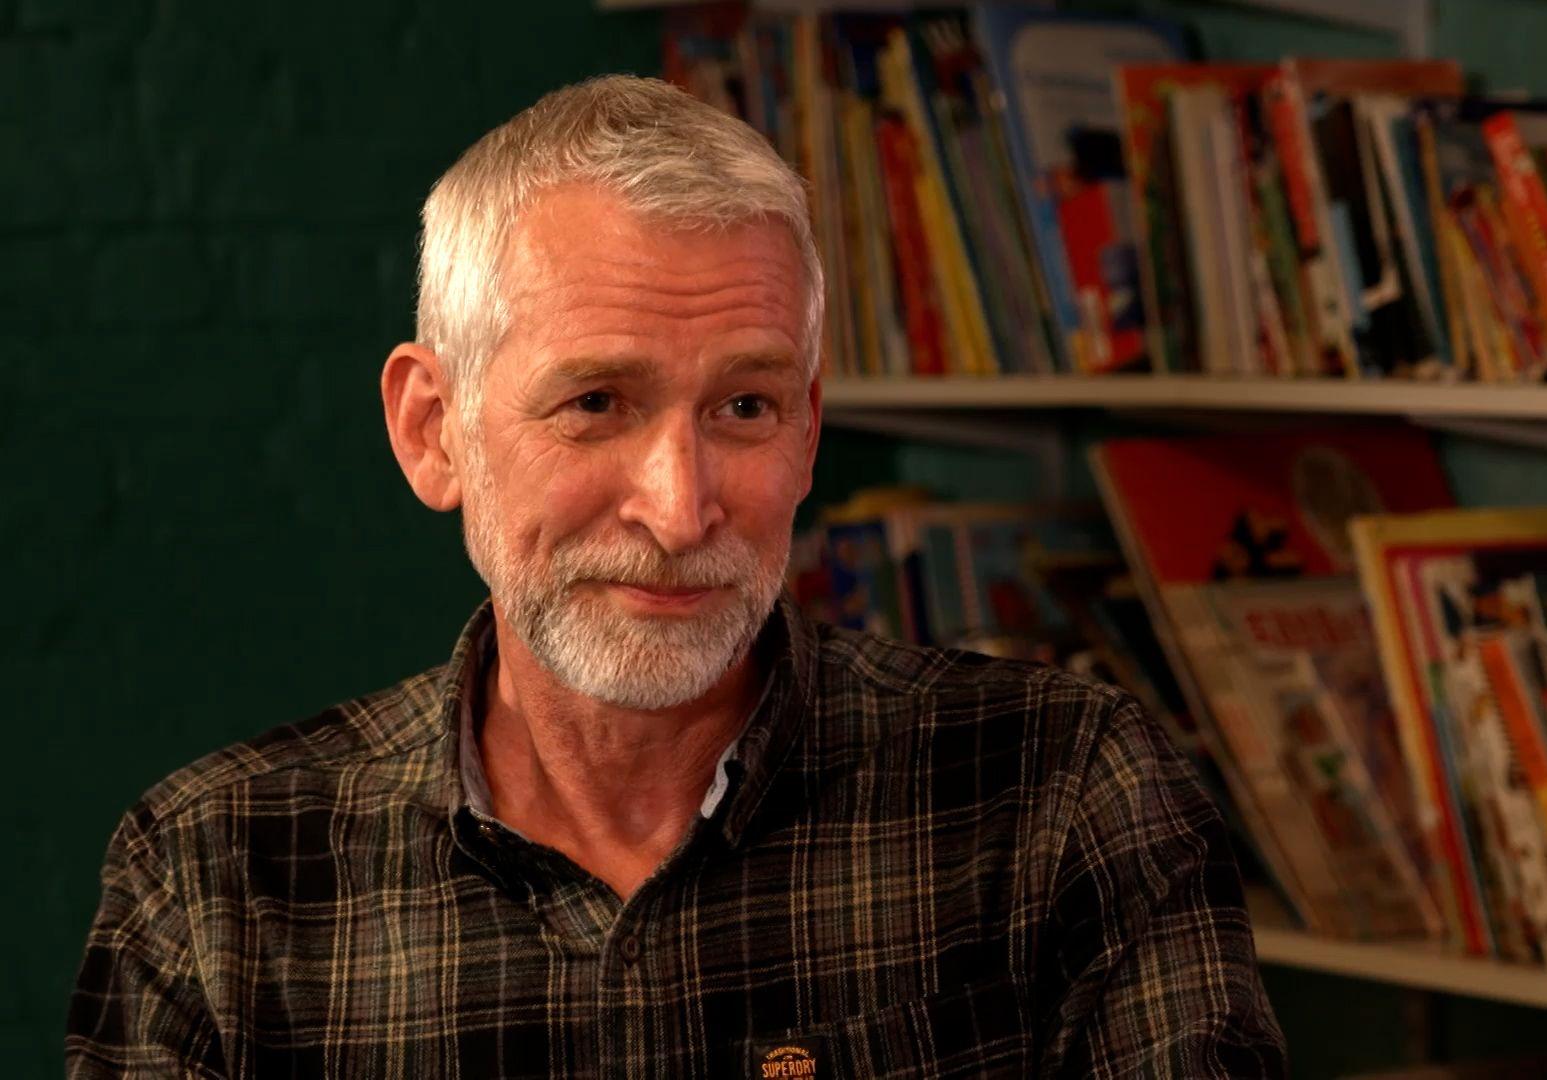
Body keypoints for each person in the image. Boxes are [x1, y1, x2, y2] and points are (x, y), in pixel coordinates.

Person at [66, 75, 1288, 1078]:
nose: (682, 505)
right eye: (597, 403)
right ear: (434, 431)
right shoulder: (220, 879)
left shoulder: (1064, 796)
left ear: (809, 429)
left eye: (744, 406)